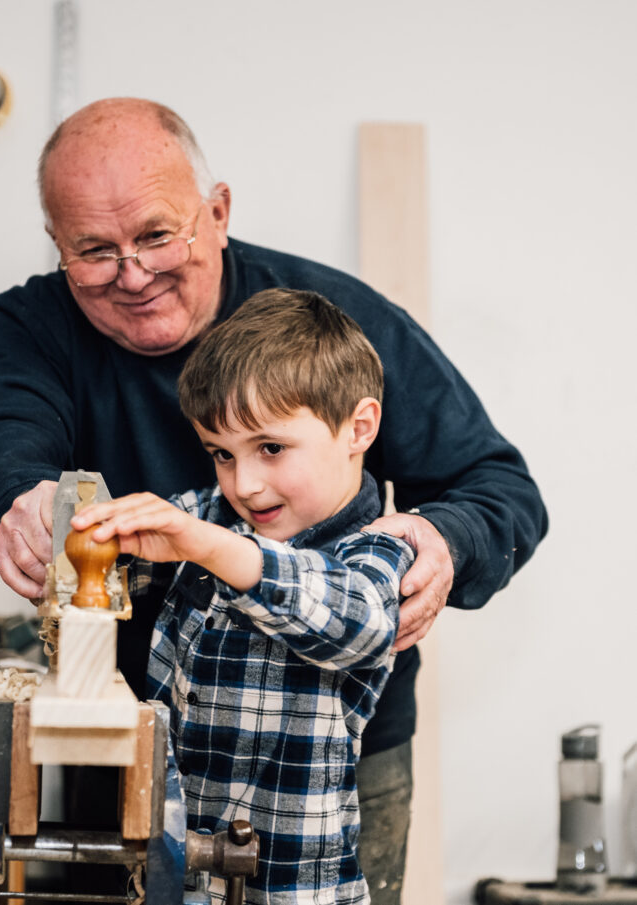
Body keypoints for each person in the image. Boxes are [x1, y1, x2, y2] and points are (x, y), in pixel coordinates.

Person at [0, 97, 548, 902]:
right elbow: (1, 436)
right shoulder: (33, 323)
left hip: (329, 780)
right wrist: (18, 498)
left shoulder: (335, 326)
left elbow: (500, 487)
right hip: (133, 748)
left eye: (158, 235)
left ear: (218, 211)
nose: (133, 274)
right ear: (59, 246)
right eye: (94, 251)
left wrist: (444, 541)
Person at [70, 288, 415, 904]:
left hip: (296, 890)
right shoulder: (211, 518)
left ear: (358, 428)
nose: (246, 484)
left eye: (271, 449)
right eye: (222, 455)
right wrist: (91, 532)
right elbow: (120, 556)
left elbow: (357, 623)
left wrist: (207, 546)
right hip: (185, 876)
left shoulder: (376, 552)